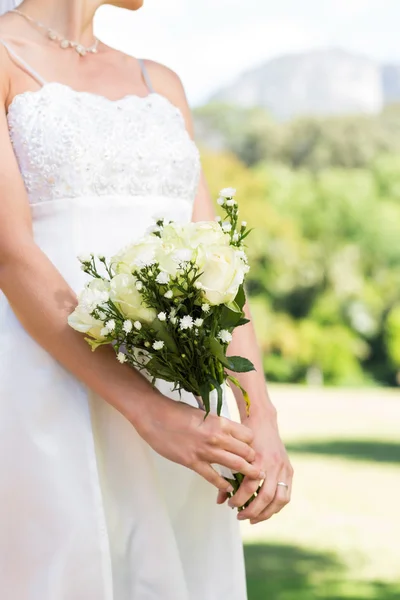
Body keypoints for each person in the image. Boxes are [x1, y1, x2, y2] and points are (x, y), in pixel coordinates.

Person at [0, 1, 293, 598]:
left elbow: (219, 263)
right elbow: (10, 254)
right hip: (48, 387)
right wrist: (151, 415)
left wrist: (258, 411)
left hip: (188, 409)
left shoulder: (161, 84)